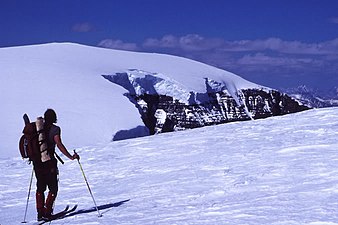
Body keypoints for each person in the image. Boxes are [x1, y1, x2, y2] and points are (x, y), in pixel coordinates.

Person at [34, 108, 79, 221]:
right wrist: (71, 157)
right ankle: (47, 212)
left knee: (40, 187)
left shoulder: (38, 128)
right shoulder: (55, 129)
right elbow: (58, 144)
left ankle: (40, 213)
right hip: (49, 162)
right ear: (54, 118)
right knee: (53, 188)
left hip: (37, 162)